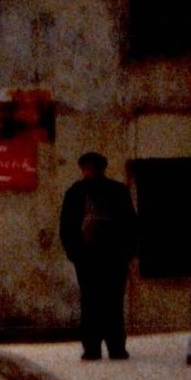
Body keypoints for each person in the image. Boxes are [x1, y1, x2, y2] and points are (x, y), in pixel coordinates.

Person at [59, 151, 140, 362]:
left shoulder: (79, 192)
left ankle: (100, 347)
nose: (91, 170)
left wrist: (75, 252)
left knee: (99, 301)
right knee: (105, 301)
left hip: (103, 257)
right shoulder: (109, 191)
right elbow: (68, 227)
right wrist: (75, 252)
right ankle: (108, 347)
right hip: (99, 257)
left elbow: (130, 225)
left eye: (92, 166)